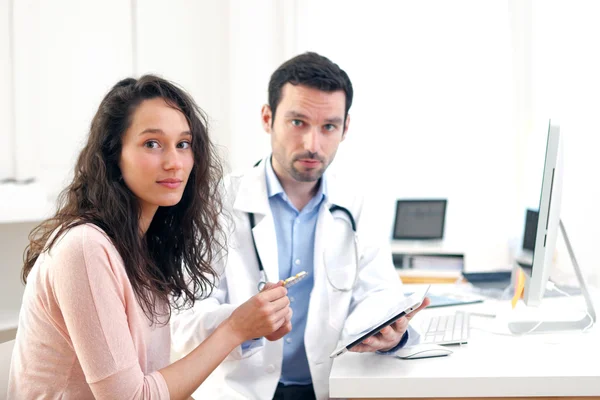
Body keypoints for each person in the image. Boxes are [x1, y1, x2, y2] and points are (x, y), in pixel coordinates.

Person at [7, 75, 292, 400]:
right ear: (114, 153)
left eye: (183, 144)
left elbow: (158, 374)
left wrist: (248, 324)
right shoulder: (85, 247)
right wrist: (236, 328)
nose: (174, 163)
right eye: (152, 144)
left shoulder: (145, 247)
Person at [170, 52, 430, 400]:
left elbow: (380, 292)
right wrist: (242, 323)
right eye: (298, 122)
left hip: (329, 386)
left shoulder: (355, 204)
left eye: (328, 127)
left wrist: (386, 330)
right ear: (268, 118)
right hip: (241, 390)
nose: (312, 144)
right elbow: (182, 320)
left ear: (345, 127)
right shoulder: (217, 202)